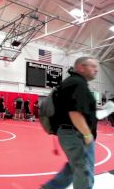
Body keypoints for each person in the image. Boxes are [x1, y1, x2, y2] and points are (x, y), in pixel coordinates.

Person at [40, 57, 98, 189]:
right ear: (81, 67)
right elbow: (74, 112)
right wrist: (88, 136)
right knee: (83, 168)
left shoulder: (73, 82)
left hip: (71, 132)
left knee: (74, 165)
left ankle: (51, 187)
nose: (96, 70)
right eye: (92, 66)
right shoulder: (77, 83)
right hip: (75, 133)